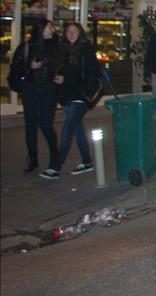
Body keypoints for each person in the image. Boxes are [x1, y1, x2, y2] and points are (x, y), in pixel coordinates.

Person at [40, 23, 100, 180]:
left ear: (80, 33)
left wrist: (67, 79)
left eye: (74, 31)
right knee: (77, 129)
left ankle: (55, 167)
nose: (71, 33)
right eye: (68, 31)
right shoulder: (63, 50)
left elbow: (90, 74)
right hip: (67, 96)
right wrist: (60, 78)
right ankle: (87, 162)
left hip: (80, 96)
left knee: (67, 130)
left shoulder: (86, 49)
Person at [7, 20, 59, 174]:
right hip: (30, 89)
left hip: (48, 89)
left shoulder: (54, 47)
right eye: (50, 28)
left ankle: (54, 157)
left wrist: (60, 76)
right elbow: (15, 68)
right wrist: (29, 66)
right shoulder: (26, 47)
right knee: (30, 125)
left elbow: (61, 65)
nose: (52, 30)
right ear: (41, 30)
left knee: (46, 124)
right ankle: (33, 158)